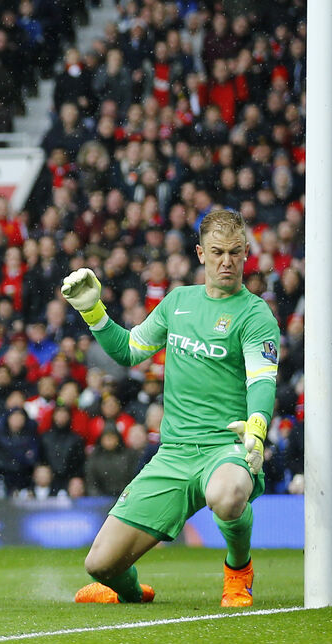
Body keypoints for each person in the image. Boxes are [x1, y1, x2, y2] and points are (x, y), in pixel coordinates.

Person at [62, 209, 279, 607]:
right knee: (99, 564)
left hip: (225, 449)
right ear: (200, 253)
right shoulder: (177, 302)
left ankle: (238, 571)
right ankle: (128, 590)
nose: (226, 261)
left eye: (234, 252)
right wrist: (93, 312)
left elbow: (262, 379)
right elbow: (129, 351)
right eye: (217, 252)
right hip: (173, 455)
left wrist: (257, 429)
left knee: (229, 495)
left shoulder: (255, 314)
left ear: (247, 252)